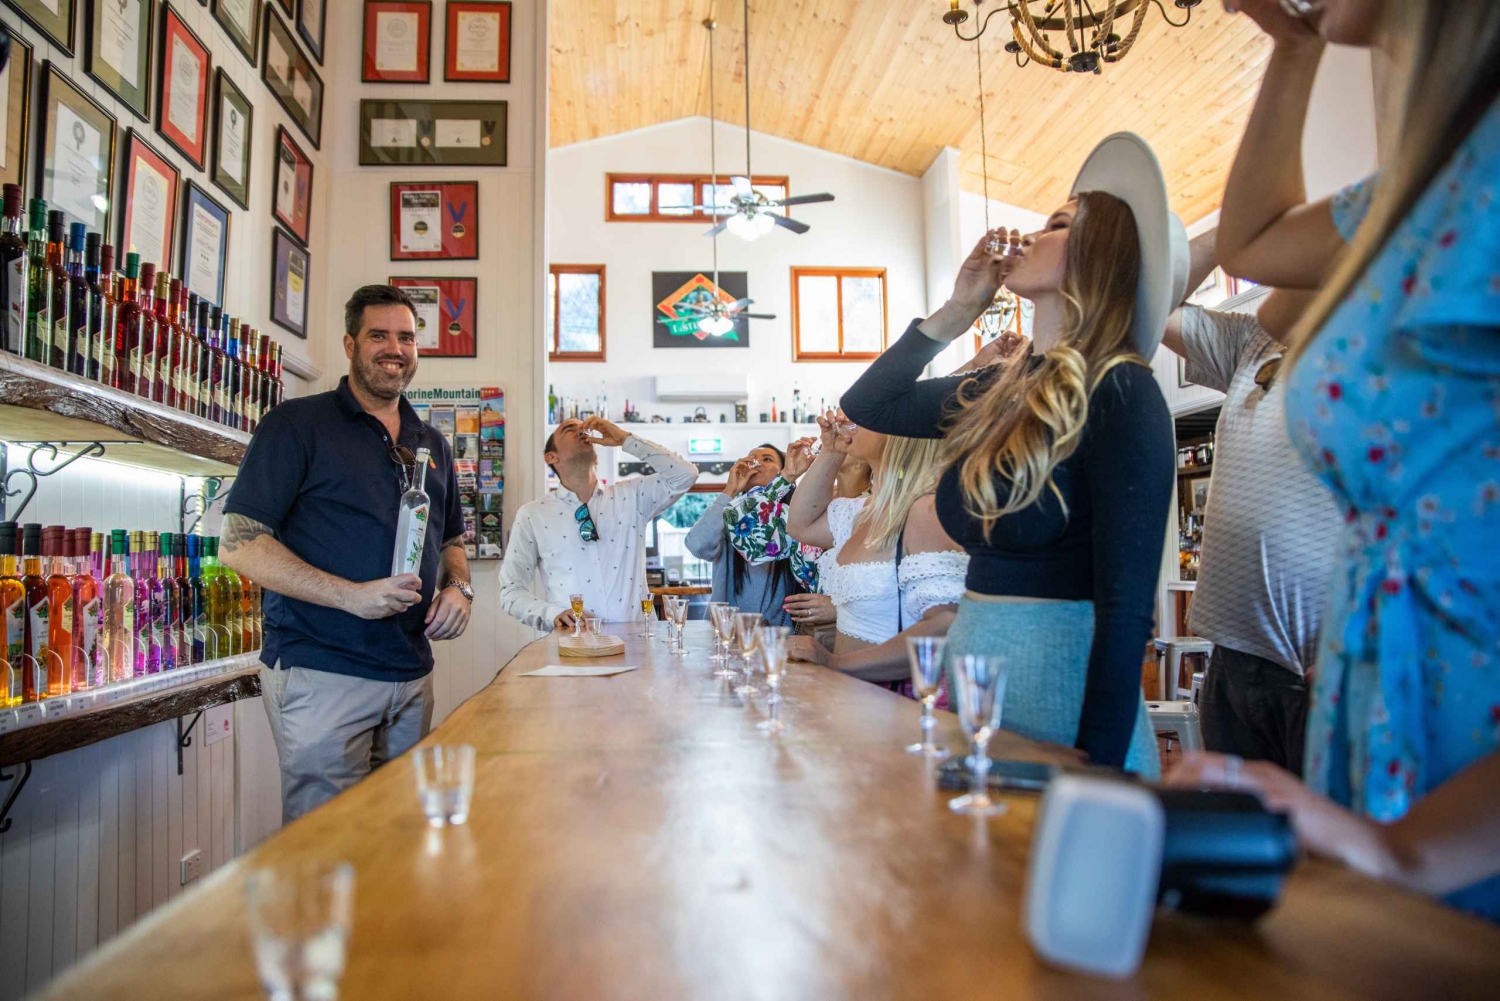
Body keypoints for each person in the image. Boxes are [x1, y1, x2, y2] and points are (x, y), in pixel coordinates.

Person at [1168, 0, 1500, 919]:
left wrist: (1403, 848)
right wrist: (1291, 45)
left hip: (1460, 754)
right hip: (1366, 705)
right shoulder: (1416, 192)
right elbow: (1253, 239)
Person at [841, 133, 1190, 776]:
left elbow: (1125, 611)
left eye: (1057, 225)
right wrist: (957, 310)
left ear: (1098, 254)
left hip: (1062, 698)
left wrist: (1098, 771)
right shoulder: (997, 391)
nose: (1029, 236)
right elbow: (870, 404)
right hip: (976, 695)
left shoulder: (1120, 388)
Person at [220, 284, 473, 823]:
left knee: (405, 840)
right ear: (350, 344)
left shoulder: (432, 441)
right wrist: (350, 596)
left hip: (411, 673)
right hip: (322, 671)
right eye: (379, 335)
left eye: (406, 338)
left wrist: (458, 587)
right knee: (327, 845)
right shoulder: (295, 425)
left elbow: (451, 539)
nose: (395, 349)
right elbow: (239, 543)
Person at [1160, 232, 1343, 774]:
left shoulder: (1379, 344)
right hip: (1234, 657)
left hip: (1326, 663)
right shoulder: (1251, 341)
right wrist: (1236, 232)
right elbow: (1150, 302)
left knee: (1326, 827)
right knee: (1236, 822)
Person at [784, 413, 968, 684]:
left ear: (899, 434)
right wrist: (832, 450)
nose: (846, 422)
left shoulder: (924, 510)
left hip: (888, 696)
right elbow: (800, 525)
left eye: (862, 416)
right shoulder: (862, 511)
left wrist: (836, 663)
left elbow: (945, 624)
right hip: (853, 693)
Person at [500, 417, 696, 631]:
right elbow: (511, 590)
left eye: (584, 428)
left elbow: (686, 475)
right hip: (572, 644)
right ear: (551, 457)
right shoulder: (533, 515)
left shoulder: (632, 496)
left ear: (596, 458)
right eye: (570, 429)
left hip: (637, 643)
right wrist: (552, 614)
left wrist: (625, 440)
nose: (582, 430)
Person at [684, 441, 817, 626]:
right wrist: (730, 490)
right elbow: (697, 545)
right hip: (726, 632)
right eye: (752, 459)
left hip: (781, 634)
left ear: (785, 470)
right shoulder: (731, 516)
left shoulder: (794, 516)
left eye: (767, 459)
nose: (756, 464)